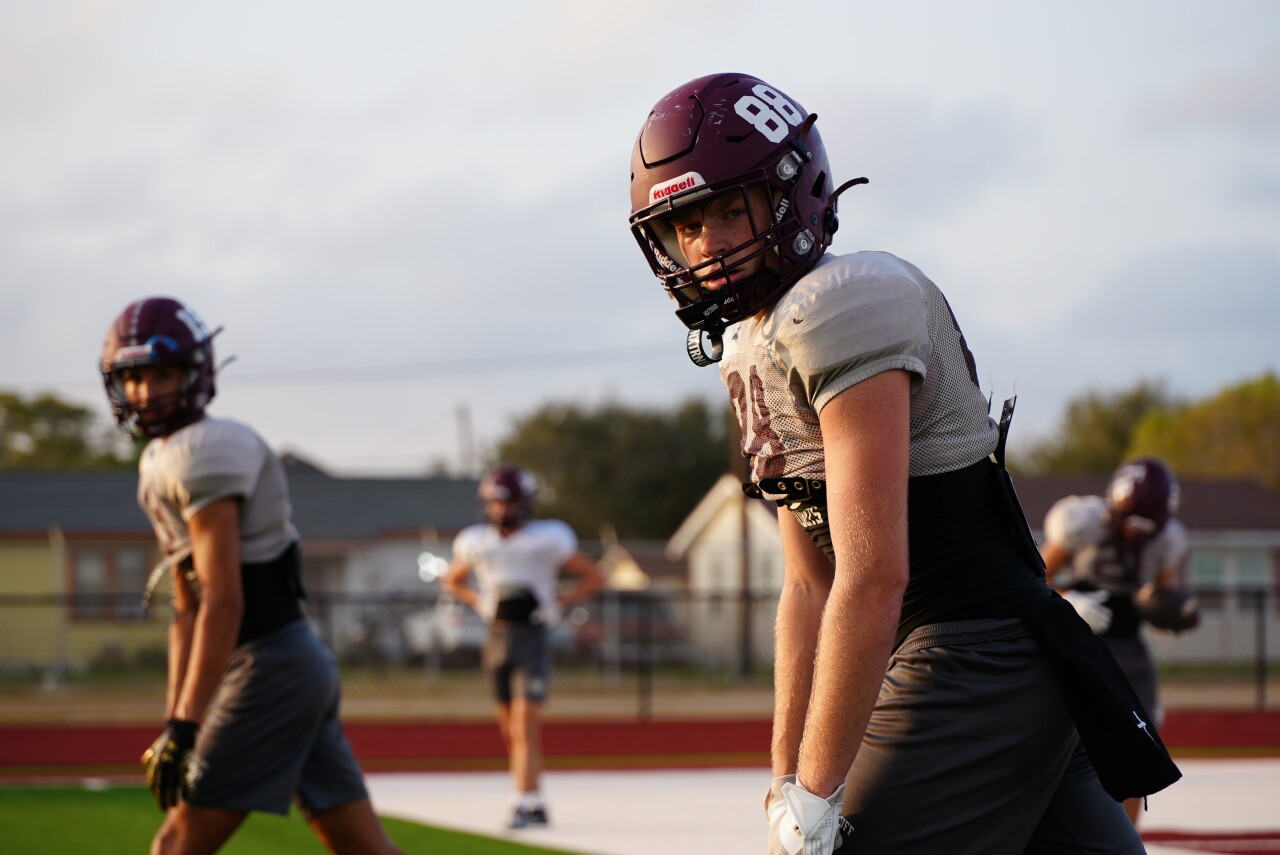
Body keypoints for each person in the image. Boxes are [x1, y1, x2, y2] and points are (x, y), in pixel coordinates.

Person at [627, 73, 1177, 854]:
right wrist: (785, 774)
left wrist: (817, 791)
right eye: (685, 224)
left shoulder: (844, 302)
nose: (706, 243)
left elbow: (874, 573)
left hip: (976, 650)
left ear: (790, 195)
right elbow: (807, 583)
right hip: (977, 659)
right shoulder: (752, 341)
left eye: (726, 210)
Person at [100, 297, 403, 855]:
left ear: (194, 373)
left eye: (161, 374)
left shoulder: (205, 449)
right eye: (134, 377)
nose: (144, 392)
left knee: (175, 846)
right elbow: (186, 609)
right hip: (286, 663)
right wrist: (175, 716)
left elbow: (223, 603)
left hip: (270, 665)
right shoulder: (160, 459)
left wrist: (186, 728)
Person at [442, 465, 604, 830]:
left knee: (525, 723)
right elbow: (452, 580)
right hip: (497, 637)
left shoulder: (546, 538)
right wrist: (478, 601)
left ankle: (522, 803)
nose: (502, 509)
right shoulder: (476, 542)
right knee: (511, 730)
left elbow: (594, 576)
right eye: (497, 502)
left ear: (525, 503)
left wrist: (560, 601)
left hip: (531, 636)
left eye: (509, 502)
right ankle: (536, 800)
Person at [1042, 456, 1194, 826]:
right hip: (1075, 644)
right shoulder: (1082, 522)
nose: (1134, 534)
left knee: (1139, 748)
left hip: (1127, 647)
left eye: (1146, 528)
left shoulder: (1169, 540)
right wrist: (1067, 600)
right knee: (1056, 743)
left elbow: (1162, 593)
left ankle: (1126, 839)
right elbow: (1034, 577)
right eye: (1129, 523)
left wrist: (1164, 616)